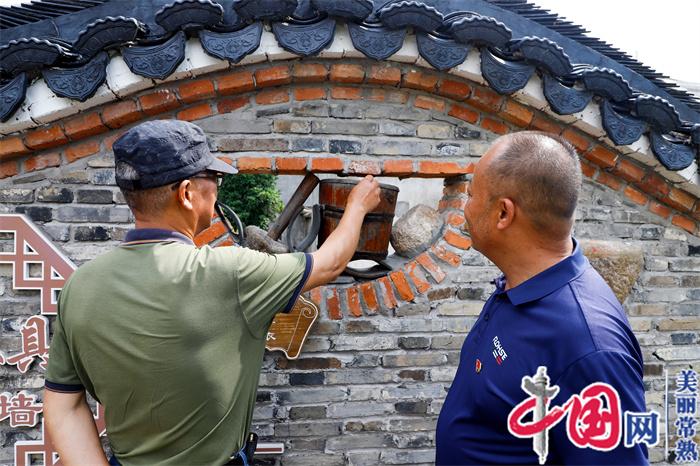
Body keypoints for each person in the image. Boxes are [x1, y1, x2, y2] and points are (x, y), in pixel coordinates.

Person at [43, 119, 381, 465]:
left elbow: (64, 404)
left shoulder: (80, 286)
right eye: (214, 179)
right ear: (187, 193)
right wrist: (357, 206)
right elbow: (329, 263)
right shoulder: (229, 273)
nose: (217, 190)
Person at [435, 131, 648, 464]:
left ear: (504, 214)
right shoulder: (519, 286)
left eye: (472, 194)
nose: (466, 206)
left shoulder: (589, 347)